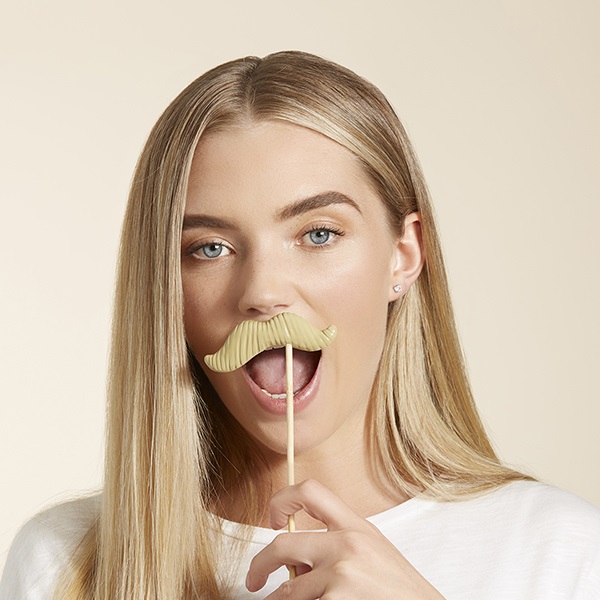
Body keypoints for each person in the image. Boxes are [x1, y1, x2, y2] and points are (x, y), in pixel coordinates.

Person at [1, 50, 599, 600]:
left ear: (404, 254)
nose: (261, 292)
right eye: (208, 248)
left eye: (318, 234)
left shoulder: (557, 551)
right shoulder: (66, 562)